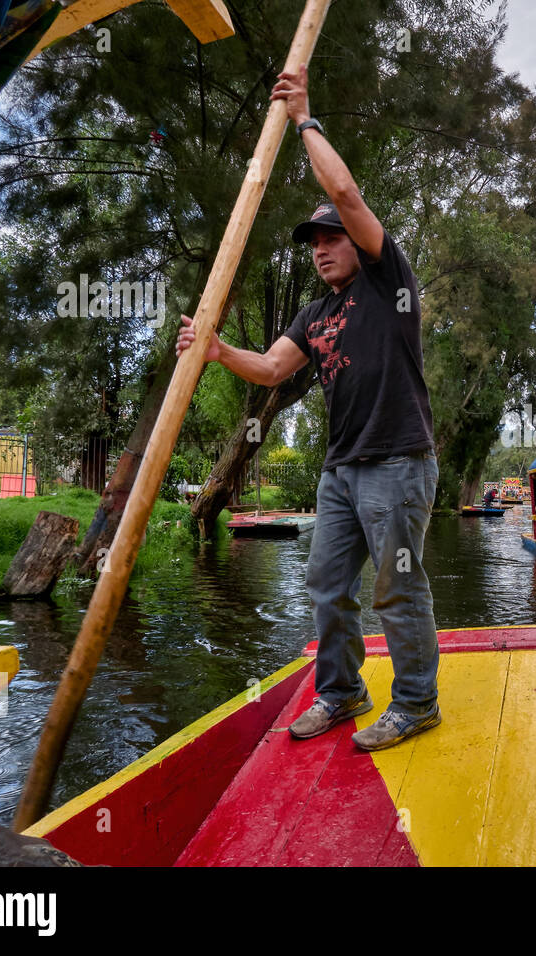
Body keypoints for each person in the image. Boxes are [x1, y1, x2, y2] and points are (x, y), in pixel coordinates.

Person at [176, 64, 440, 752]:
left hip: (398, 461)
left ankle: (415, 703)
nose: (321, 249)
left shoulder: (390, 282)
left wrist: (303, 119)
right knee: (327, 585)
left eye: (330, 238)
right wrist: (214, 352)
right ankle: (343, 691)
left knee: (396, 590)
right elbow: (270, 366)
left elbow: (345, 190)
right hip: (342, 471)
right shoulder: (315, 312)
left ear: (358, 242)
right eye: (313, 244)